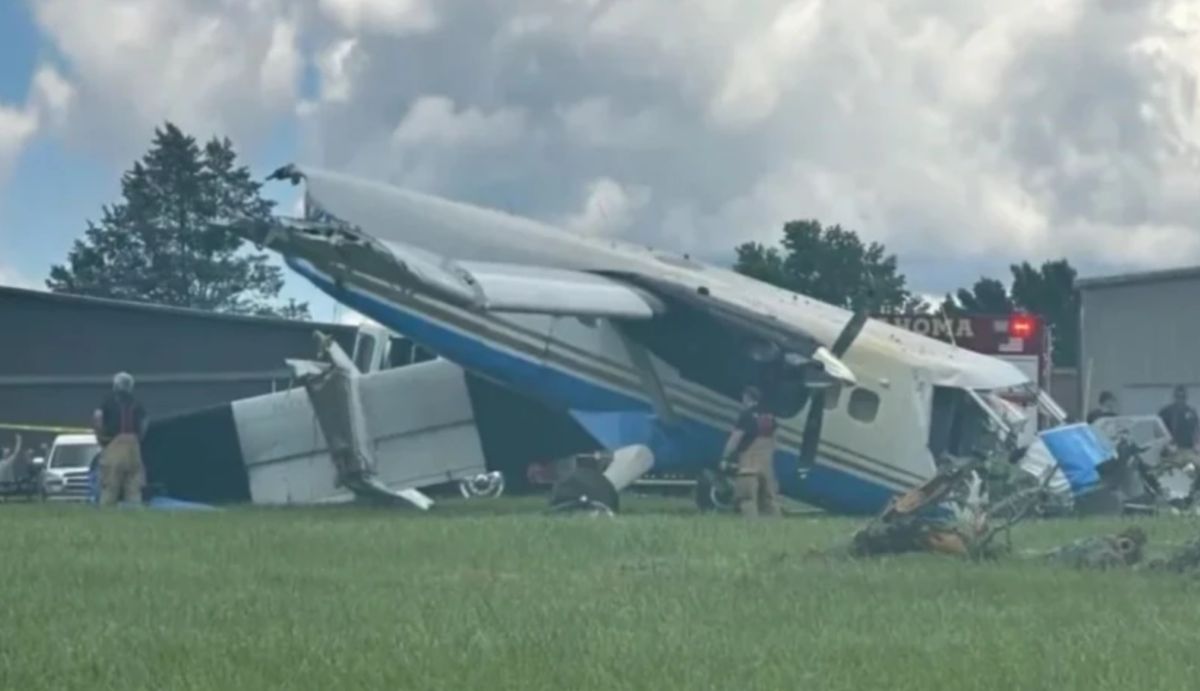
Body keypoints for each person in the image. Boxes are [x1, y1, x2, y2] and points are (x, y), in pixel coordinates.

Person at [720, 385, 781, 517]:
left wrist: (725, 457)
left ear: (747, 397)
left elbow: (735, 438)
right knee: (769, 499)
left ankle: (751, 528)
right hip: (766, 464)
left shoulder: (746, 415)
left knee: (746, 498)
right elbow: (775, 442)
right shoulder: (770, 416)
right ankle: (775, 528)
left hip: (749, 463)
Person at [93, 372, 148, 506]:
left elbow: (98, 416)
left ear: (116, 385)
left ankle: (107, 512)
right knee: (134, 484)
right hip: (134, 445)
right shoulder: (137, 402)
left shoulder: (109, 400)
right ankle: (135, 512)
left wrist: (100, 436)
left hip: (114, 444)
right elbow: (145, 421)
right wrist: (139, 438)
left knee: (110, 482)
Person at [1159, 385, 1198, 451]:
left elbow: (1196, 430)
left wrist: (1196, 444)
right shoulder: (1166, 412)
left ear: (1186, 398)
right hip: (1171, 450)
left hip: (1188, 449)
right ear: (1174, 397)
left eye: (1183, 397)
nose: (1180, 399)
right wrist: (1164, 444)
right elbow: (1158, 429)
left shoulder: (1191, 412)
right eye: (1178, 397)